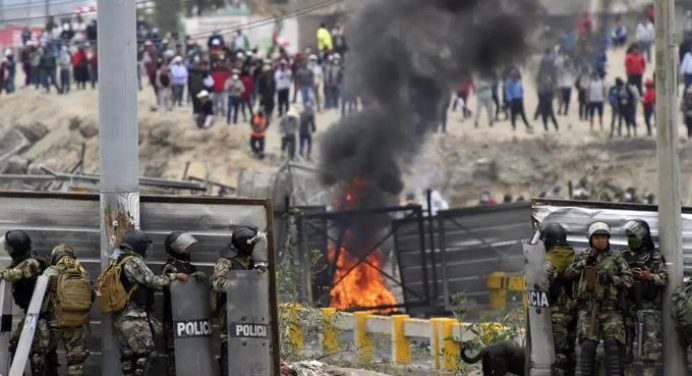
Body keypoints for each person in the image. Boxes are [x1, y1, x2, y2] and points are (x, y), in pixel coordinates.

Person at [110, 230, 190, 376]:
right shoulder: (133, 261)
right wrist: (174, 276)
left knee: (129, 358)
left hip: (121, 317)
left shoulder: (118, 261)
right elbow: (152, 281)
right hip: (134, 316)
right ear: (139, 246)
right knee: (147, 354)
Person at [565, 222, 633, 376]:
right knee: (587, 346)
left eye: (603, 237)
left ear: (608, 239)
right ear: (591, 239)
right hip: (588, 309)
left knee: (612, 345)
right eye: (597, 237)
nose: (600, 240)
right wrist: (584, 263)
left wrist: (611, 279)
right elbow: (569, 273)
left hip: (611, 309)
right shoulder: (583, 255)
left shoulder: (616, 257)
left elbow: (629, 280)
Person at [212, 227, 266, 376]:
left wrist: (257, 273)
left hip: (248, 314)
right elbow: (218, 283)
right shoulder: (226, 261)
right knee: (230, 350)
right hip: (231, 314)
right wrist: (242, 282)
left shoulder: (248, 260)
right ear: (245, 245)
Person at [620, 220, 667, 376]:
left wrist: (650, 276)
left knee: (650, 348)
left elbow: (664, 278)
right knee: (625, 348)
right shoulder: (623, 256)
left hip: (648, 307)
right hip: (627, 306)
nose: (630, 239)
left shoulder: (655, 256)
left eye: (633, 236)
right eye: (628, 236)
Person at [0, 230, 48, 375]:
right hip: (32, 316)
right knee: (16, 345)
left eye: (8, 247)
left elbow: (14, 274)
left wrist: (3, 273)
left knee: (38, 356)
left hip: (42, 318)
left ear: (14, 249)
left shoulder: (31, 263)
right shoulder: (21, 262)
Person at [42, 243, 92, 376]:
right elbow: (90, 296)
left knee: (44, 355)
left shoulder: (51, 271)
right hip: (78, 324)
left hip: (55, 323)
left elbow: (39, 296)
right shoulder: (81, 271)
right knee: (76, 364)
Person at [161, 232, 205, 376]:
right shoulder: (170, 267)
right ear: (176, 248)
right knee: (175, 357)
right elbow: (167, 284)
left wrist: (199, 281)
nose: (188, 250)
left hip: (191, 320)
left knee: (191, 356)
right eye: (185, 248)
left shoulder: (190, 267)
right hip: (174, 318)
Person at [540, 223, 577, 376]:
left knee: (557, 353)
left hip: (557, 312)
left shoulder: (552, 258)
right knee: (570, 352)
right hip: (573, 311)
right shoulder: (572, 255)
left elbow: (543, 282)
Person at [556, 52, 575, 116]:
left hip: (567, 85)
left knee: (566, 100)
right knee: (565, 99)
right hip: (565, 85)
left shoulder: (569, 68)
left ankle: (564, 110)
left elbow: (573, 76)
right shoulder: (564, 68)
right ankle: (562, 110)